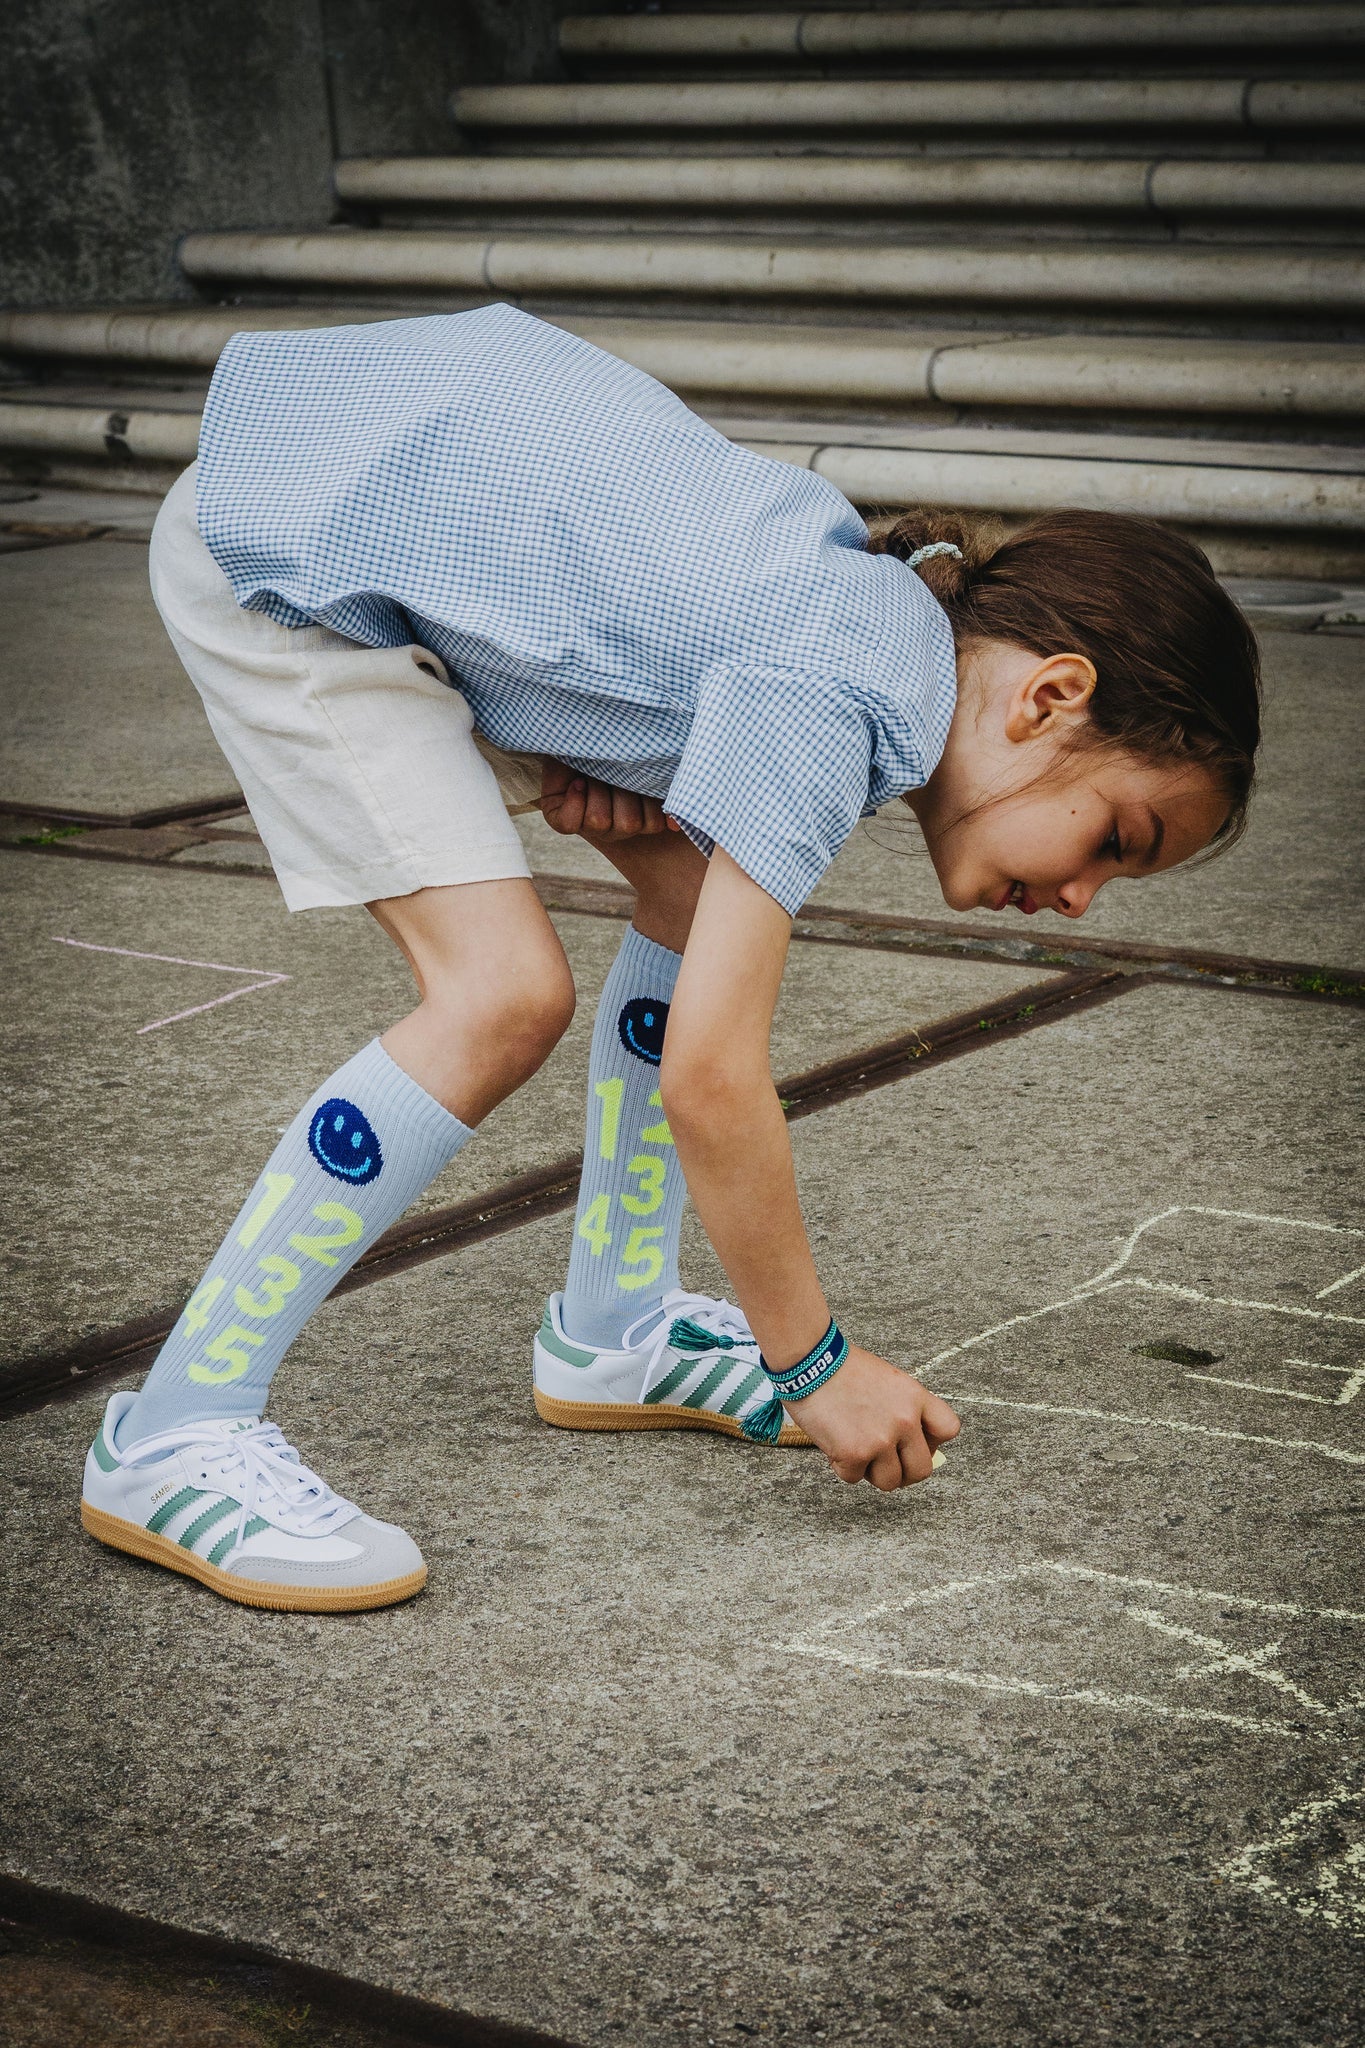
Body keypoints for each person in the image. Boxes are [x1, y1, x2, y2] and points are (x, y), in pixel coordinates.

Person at [78, 305, 1261, 1613]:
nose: (1086, 897)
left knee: (689, 901)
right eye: (1118, 836)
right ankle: (174, 1431)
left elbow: (637, 592)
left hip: (375, 487)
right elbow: (709, 1076)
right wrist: (810, 1362)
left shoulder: (872, 626)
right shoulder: (850, 695)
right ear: (1047, 696)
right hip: (287, 543)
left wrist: (595, 735)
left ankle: (613, 1332)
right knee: (499, 997)